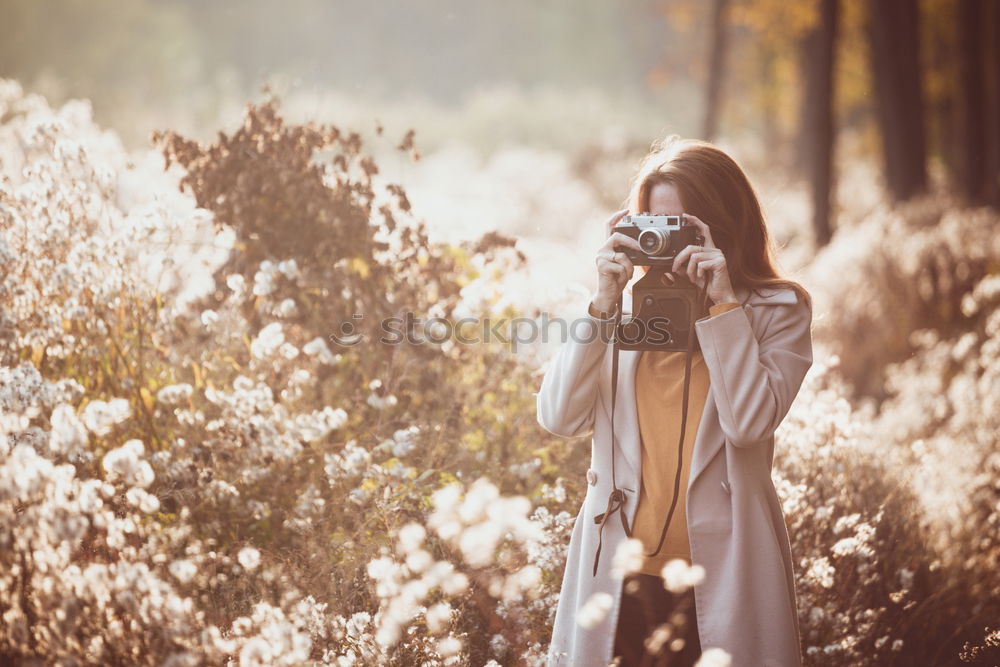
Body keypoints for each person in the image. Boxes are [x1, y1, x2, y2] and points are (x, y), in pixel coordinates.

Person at [538, 135, 813, 667]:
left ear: (723, 228)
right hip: (617, 575)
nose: (666, 246)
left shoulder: (777, 310)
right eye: (653, 227)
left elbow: (750, 424)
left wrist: (724, 306)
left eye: (682, 229)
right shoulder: (619, 307)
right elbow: (558, 416)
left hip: (722, 571)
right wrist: (601, 305)